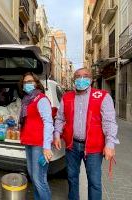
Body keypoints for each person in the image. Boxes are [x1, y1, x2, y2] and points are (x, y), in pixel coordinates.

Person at [53, 68, 119, 200]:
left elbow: (109, 122)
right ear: (74, 80)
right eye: (78, 76)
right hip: (72, 146)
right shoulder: (67, 97)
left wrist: (110, 144)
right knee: (72, 178)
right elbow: (60, 118)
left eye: (85, 76)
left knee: (94, 182)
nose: (81, 79)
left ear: (91, 79)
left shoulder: (102, 96)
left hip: (94, 148)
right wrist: (56, 134)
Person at [19, 72, 54, 200]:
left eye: (30, 81)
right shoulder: (26, 100)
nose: (27, 84)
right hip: (29, 142)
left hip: (39, 144)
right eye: (25, 82)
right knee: (33, 176)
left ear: (36, 83)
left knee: (39, 179)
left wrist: (46, 147)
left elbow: (48, 122)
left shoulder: (41, 99)